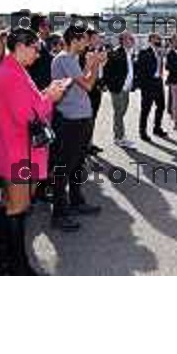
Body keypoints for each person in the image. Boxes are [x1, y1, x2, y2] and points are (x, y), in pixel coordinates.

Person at [0, 28, 68, 274]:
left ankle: (8, 263)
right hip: (18, 153)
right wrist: (50, 97)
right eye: (35, 48)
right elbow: (28, 115)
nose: (38, 54)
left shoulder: (11, 70)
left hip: (14, 151)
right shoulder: (11, 73)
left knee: (8, 207)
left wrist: (46, 94)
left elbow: (26, 107)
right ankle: (17, 266)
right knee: (16, 210)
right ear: (20, 46)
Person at [51, 25, 104, 232]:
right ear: (74, 40)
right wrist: (95, 65)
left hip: (80, 118)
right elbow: (88, 85)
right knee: (64, 166)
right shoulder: (64, 59)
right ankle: (59, 213)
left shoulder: (70, 60)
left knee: (77, 164)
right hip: (70, 121)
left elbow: (80, 82)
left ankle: (76, 201)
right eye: (84, 39)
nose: (87, 43)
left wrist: (91, 65)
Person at [104, 31, 137, 148]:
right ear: (122, 40)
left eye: (132, 38)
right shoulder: (116, 52)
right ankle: (119, 137)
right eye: (129, 38)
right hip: (118, 88)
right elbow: (107, 71)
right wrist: (110, 85)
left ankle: (118, 135)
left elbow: (131, 69)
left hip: (127, 88)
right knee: (119, 112)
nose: (132, 40)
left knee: (122, 112)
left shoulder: (130, 52)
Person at [137, 32, 167, 142]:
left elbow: (162, 66)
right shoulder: (144, 52)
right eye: (156, 39)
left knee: (161, 106)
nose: (159, 41)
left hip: (158, 82)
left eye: (159, 39)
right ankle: (142, 131)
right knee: (146, 109)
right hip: (148, 85)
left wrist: (161, 55)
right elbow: (140, 71)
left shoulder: (160, 52)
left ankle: (157, 127)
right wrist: (143, 86)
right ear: (150, 40)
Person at [81, 28, 105, 154]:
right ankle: (84, 145)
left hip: (98, 86)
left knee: (93, 117)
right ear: (88, 39)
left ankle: (89, 142)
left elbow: (101, 71)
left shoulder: (100, 51)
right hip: (88, 87)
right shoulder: (84, 53)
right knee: (87, 118)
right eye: (95, 38)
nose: (98, 40)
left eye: (99, 38)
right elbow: (83, 73)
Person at [28, 13, 54, 91]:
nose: (49, 29)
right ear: (40, 28)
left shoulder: (43, 45)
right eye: (47, 26)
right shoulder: (32, 47)